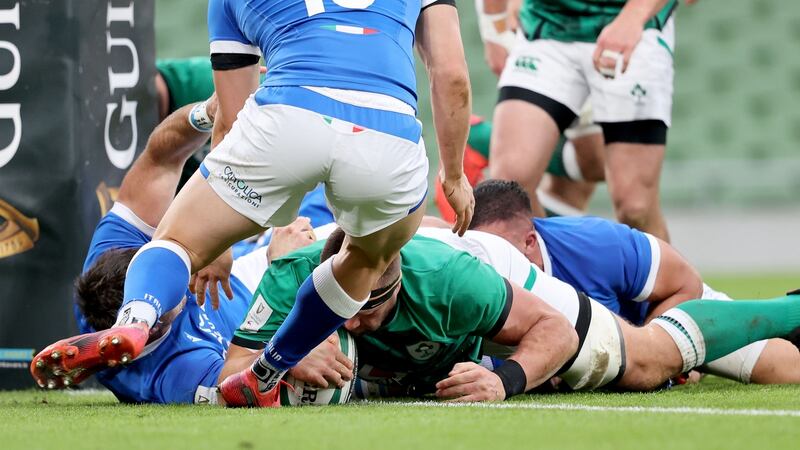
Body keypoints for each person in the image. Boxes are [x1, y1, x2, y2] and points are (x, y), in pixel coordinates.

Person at [36, 0, 476, 409]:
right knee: (365, 259)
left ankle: (136, 317)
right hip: (388, 133)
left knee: (176, 243)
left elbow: (230, 116)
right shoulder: (171, 367)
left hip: (289, 117)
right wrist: (454, 175)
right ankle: (272, 364)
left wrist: (216, 246)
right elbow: (452, 75)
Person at [223, 225, 800, 401]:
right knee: (781, 369)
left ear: (394, 288)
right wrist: (283, 357)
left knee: (644, 362)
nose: (349, 325)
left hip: (491, 278)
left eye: (366, 311)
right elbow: (233, 368)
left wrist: (505, 380)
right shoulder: (288, 278)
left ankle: (786, 307)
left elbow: (549, 328)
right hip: (444, 338)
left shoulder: (453, 279)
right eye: (338, 310)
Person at [464, 179, 800, 384]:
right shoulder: (474, 271)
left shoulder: (595, 243)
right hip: (612, 353)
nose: (495, 264)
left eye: (500, 250)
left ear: (530, 240)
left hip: (669, 320)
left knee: (783, 369)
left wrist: (663, 354)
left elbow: (685, 281)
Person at [489, 0, 682, 241]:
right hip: (545, 28)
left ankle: (676, 279)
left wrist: (633, 17)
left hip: (634, 30)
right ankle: (555, 276)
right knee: (510, 185)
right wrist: (493, 27)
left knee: (635, 208)